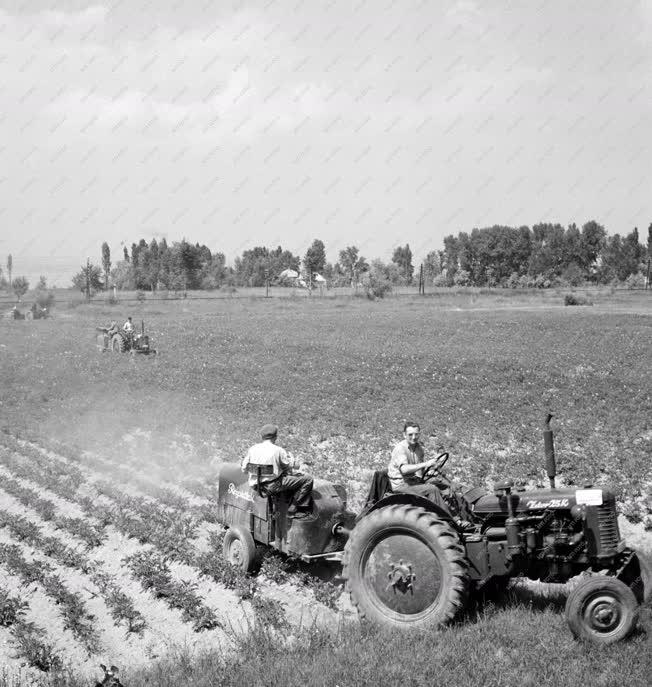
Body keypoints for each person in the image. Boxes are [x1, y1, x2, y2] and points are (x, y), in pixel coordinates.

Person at [388, 421, 473, 527]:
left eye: (416, 434)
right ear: (404, 435)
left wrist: (431, 471)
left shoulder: (418, 448)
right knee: (432, 489)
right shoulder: (400, 449)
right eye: (410, 434)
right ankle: (453, 521)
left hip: (414, 481)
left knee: (445, 486)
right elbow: (404, 470)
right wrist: (426, 464)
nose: (414, 437)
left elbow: (420, 472)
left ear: (419, 434)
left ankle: (466, 515)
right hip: (401, 485)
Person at [241, 424, 314, 519]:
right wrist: (293, 460)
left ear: (261, 437)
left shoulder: (252, 449)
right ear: (275, 437)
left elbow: (244, 469)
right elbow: (291, 466)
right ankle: (294, 509)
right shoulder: (278, 450)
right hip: (273, 486)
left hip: (256, 486)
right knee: (308, 479)